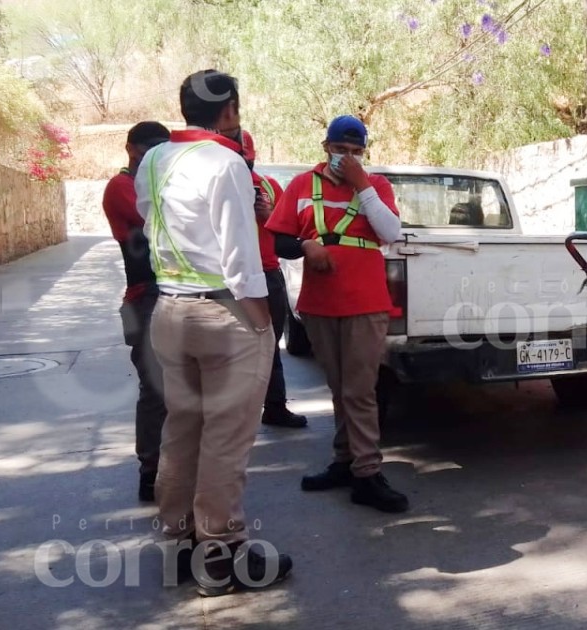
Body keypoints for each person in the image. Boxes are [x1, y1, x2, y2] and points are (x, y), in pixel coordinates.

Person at [136, 69, 292, 595]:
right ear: (230, 110)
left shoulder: (153, 160)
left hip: (169, 311)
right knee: (226, 440)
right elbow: (241, 257)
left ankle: (178, 545)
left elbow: (146, 221)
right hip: (225, 313)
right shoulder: (227, 163)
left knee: (181, 432)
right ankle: (221, 555)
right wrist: (261, 320)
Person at [266, 115, 408, 513]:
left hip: (365, 303)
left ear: (363, 153)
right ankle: (346, 460)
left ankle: (366, 472)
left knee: (360, 391)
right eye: (340, 149)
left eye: (355, 151)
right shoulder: (301, 185)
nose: (346, 157)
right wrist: (305, 247)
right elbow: (278, 238)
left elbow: (391, 232)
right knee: (339, 388)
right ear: (325, 146)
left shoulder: (375, 186)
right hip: (320, 304)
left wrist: (361, 182)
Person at [102, 121, 171, 503]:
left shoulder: (153, 183)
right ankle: (151, 472)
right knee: (155, 391)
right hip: (141, 299)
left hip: (163, 295)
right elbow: (160, 221)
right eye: (148, 153)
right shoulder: (122, 186)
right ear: (131, 150)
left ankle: (170, 469)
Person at [240, 130, 307, 428]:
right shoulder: (213, 186)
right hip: (229, 279)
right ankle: (232, 415)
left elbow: (291, 237)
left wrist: (267, 216)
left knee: (269, 343)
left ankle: (275, 407)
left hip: (268, 275)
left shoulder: (270, 187)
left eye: (246, 157)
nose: (243, 163)